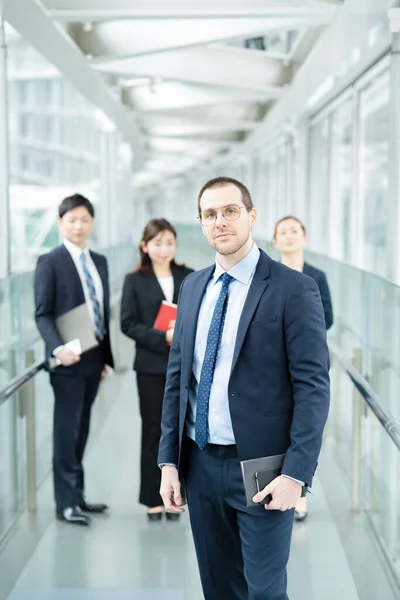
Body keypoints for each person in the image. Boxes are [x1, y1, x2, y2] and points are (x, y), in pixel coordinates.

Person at [158, 177, 330, 600]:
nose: (221, 222)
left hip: (264, 468)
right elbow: (178, 380)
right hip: (199, 465)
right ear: (201, 224)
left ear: (251, 216)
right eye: (210, 214)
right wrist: (168, 462)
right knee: (218, 589)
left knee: (265, 592)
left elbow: (313, 388)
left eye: (230, 211)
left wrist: (296, 474)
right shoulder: (193, 286)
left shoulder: (294, 288)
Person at [34, 193, 114, 526]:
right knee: (66, 432)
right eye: (71, 220)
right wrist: (57, 349)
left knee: (81, 429)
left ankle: (77, 495)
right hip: (67, 361)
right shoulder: (50, 261)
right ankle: (64, 503)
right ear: (60, 223)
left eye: (84, 220)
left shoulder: (100, 261)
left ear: (92, 223)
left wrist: (106, 358)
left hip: (94, 359)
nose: (78, 226)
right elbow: (42, 314)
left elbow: (102, 313)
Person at [120, 219, 193, 522]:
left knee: (182, 430)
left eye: (169, 243)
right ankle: (152, 495)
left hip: (184, 365)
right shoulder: (134, 280)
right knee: (153, 430)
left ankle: (177, 497)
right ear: (144, 246)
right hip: (150, 366)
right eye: (157, 243)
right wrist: (161, 336)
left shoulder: (189, 276)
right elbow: (127, 323)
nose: (164, 249)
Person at [273, 215, 333, 522]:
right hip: (275, 365)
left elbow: (328, 317)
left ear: (304, 237)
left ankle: (300, 490)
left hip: (306, 362)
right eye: (282, 232)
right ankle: (283, 484)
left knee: (307, 426)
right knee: (281, 427)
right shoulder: (268, 276)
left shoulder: (316, 276)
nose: (289, 236)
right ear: (274, 241)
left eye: (294, 231)